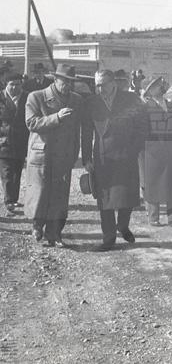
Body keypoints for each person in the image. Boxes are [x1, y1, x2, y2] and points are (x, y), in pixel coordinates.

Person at [82, 70, 147, 251]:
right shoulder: (91, 103)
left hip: (127, 155)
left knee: (128, 195)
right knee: (105, 199)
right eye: (97, 85)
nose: (100, 89)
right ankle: (108, 238)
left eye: (103, 84)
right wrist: (87, 158)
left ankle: (123, 225)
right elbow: (86, 132)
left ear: (113, 83)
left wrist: (133, 149)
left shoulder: (131, 99)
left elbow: (143, 126)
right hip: (103, 157)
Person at [24, 63, 83, 247]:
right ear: (55, 80)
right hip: (42, 154)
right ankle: (37, 226)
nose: (68, 85)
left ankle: (55, 234)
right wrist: (56, 117)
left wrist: (74, 153)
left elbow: (77, 130)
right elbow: (31, 123)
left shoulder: (76, 100)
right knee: (40, 192)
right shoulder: (36, 96)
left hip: (64, 155)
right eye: (65, 81)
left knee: (59, 196)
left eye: (71, 82)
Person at [140, 77, 172, 227]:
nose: (160, 87)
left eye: (160, 84)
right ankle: (153, 217)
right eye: (155, 86)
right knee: (153, 182)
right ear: (149, 91)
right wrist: (150, 147)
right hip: (153, 151)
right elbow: (142, 130)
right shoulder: (145, 107)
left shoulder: (170, 105)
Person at [0, 74, 29, 213]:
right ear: (6, 84)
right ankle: (8, 201)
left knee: (17, 172)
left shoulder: (27, 97)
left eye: (17, 84)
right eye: (11, 84)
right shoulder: (1, 97)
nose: (14, 87)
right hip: (3, 142)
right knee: (6, 172)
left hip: (20, 142)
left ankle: (14, 199)